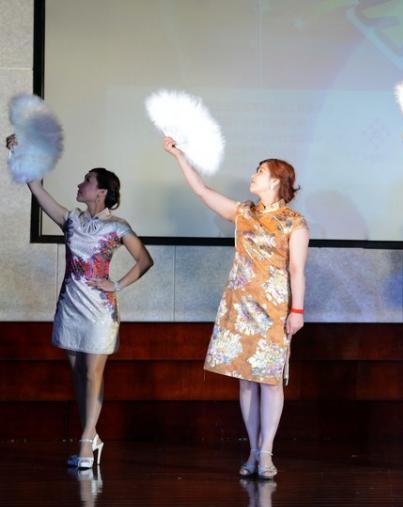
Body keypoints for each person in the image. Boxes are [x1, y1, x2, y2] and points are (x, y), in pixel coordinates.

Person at [163, 137, 309, 479]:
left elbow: (297, 269)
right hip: (240, 306)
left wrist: (297, 311)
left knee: (270, 380)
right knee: (245, 380)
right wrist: (179, 155)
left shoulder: (294, 222)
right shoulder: (244, 212)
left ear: (276, 180)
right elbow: (202, 191)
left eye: (260, 171)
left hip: (273, 309)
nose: (253, 175)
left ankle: (267, 452)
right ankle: (253, 450)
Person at [6, 134, 153, 469]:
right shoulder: (70, 219)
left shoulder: (117, 227)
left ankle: (86, 441)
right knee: (78, 375)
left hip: (100, 310)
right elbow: (36, 187)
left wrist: (116, 285)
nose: (79, 184)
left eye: (86, 181)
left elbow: (144, 260)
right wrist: (20, 152)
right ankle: (92, 436)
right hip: (70, 307)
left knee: (92, 375)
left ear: (101, 191)